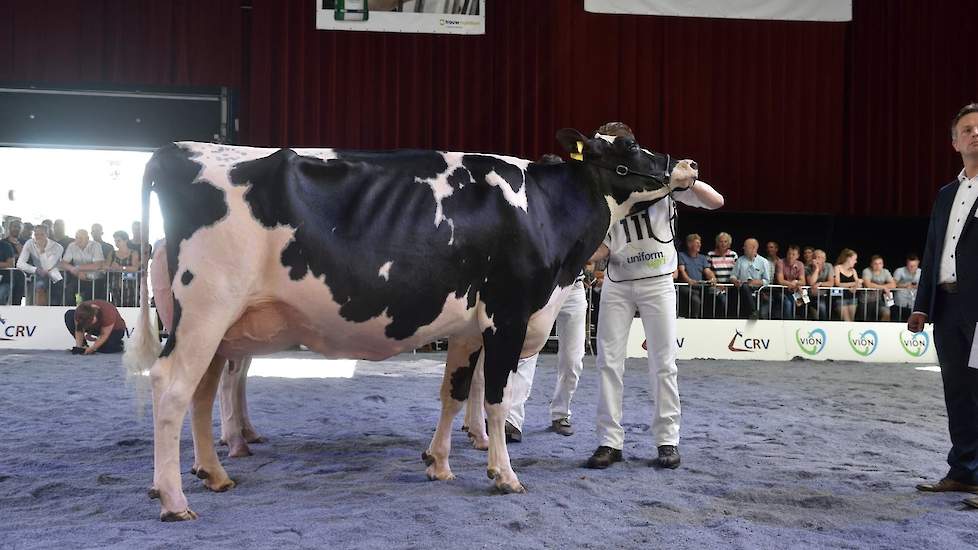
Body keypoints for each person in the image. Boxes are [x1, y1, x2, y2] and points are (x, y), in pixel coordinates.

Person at [586, 121, 724, 470]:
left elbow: (715, 201)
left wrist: (685, 178)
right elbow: (606, 243)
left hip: (658, 280)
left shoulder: (660, 176)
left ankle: (667, 440)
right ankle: (609, 441)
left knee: (663, 363)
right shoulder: (608, 184)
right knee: (607, 362)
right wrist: (585, 256)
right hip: (618, 281)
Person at [909, 103, 978, 506]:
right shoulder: (946, 194)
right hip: (947, 307)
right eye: (967, 129)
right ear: (955, 142)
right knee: (957, 392)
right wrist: (922, 305)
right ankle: (964, 472)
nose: (975, 133)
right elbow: (934, 251)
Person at [503, 154, 590, 442]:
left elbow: (594, 249)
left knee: (573, 359)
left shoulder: (579, 209)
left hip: (573, 289)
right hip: (540, 290)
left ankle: (561, 413)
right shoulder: (528, 209)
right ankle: (512, 420)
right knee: (526, 354)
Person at [16, 225, 64, 306]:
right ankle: (39, 313)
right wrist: (35, 270)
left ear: (47, 235)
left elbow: (47, 267)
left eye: (42, 234)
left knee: (54, 304)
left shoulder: (57, 247)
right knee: (39, 286)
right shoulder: (30, 243)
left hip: (56, 276)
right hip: (38, 275)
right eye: (36, 234)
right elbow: (19, 263)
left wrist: (42, 250)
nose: (38, 237)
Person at [728, 237, 772, 319]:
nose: (743, 248)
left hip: (758, 290)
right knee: (744, 287)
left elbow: (767, 280)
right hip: (741, 290)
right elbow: (732, 276)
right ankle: (753, 312)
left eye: (745, 246)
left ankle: (754, 313)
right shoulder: (740, 260)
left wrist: (756, 282)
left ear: (753, 248)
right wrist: (735, 281)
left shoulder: (763, 262)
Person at [60, 229, 107, 303]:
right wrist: (73, 270)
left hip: (95, 279)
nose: (78, 240)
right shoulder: (72, 246)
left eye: (81, 238)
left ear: (87, 239)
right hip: (79, 277)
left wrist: (78, 268)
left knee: (90, 300)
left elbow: (97, 265)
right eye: (76, 237)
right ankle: (71, 312)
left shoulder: (95, 245)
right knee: (69, 290)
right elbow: (63, 263)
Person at [676, 233, 710, 318]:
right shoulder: (681, 255)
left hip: (699, 286)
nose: (699, 245)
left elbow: (708, 271)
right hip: (686, 286)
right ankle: (694, 320)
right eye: (697, 243)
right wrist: (689, 280)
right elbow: (682, 270)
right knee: (695, 298)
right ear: (689, 244)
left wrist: (713, 278)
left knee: (712, 294)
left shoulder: (702, 258)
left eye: (700, 243)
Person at [704, 232, 737, 317]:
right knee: (722, 300)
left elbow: (736, 272)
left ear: (729, 244)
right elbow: (708, 272)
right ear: (717, 243)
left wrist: (729, 285)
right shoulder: (710, 255)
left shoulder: (733, 255)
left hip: (730, 286)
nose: (723, 244)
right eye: (721, 241)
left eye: (725, 242)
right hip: (715, 285)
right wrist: (718, 284)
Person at [775, 244, 806, 319]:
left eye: (793, 254)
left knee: (804, 301)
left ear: (798, 256)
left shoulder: (800, 264)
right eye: (789, 253)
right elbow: (780, 280)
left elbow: (803, 281)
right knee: (788, 303)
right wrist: (792, 283)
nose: (791, 256)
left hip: (794, 291)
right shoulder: (780, 262)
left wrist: (795, 282)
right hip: (781, 291)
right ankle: (788, 324)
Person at [860, 255, 896, 321]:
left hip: (879, 299)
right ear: (871, 264)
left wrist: (881, 287)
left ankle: (882, 330)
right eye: (875, 263)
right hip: (866, 300)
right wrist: (884, 287)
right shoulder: (867, 271)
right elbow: (868, 284)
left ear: (883, 264)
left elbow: (893, 284)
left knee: (887, 313)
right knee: (866, 320)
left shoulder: (885, 271)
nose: (878, 266)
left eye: (880, 263)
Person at [832, 248, 861, 322]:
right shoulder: (837, 268)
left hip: (852, 297)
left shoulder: (853, 271)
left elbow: (858, 284)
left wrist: (856, 286)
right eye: (854, 259)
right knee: (846, 320)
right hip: (840, 298)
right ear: (848, 258)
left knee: (851, 321)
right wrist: (853, 283)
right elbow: (837, 283)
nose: (856, 261)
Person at [1, 219, 25, 305]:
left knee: (16, 301)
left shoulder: (25, 242)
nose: (16, 229)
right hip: (6, 276)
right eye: (14, 226)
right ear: (9, 228)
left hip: (19, 276)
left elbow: (25, 257)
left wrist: (17, 245)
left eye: (19, 227)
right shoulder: (4, 242)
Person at [805, 249, 834, 320]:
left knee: (823, 306)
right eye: (814, 257)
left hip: (825, 295)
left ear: (824, 259)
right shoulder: (807, 268)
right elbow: (811, 282)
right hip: (811, 295)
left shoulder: (829, 266)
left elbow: (831, 283)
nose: (816, 259)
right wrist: (816, 269)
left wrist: (820, 284)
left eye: (818, 257)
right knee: (820, 307)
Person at [891, 254, 920, 321]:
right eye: (910, 266)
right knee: (898, 321)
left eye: (914, 266)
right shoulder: (899, 271)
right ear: (907, 263)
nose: (912, 267)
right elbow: (893, 284)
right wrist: (906, 285)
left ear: (918, 263)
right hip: (900, 301)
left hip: (914, 302)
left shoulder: (920, 272)